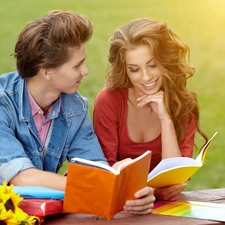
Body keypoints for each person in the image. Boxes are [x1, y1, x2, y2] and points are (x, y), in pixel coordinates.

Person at [0, 10, 155, 215]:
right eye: (77, 65)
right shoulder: (3, 103)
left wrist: (121, 183)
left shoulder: (75, 107)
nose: (85, 71)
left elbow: (95, 170)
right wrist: (98, 185)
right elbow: (22, 177)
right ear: (47, 70)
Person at [93, 17, 208, 201]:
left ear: (165, 60)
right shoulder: (109, 101)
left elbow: (176, 178)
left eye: (152, 65)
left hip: (165, 209)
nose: (146, 77)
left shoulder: (183, 103)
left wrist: (166, 120)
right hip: (119, 203)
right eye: (134, 69)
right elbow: (105, 171)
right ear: (124, 69)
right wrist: (153, 191)